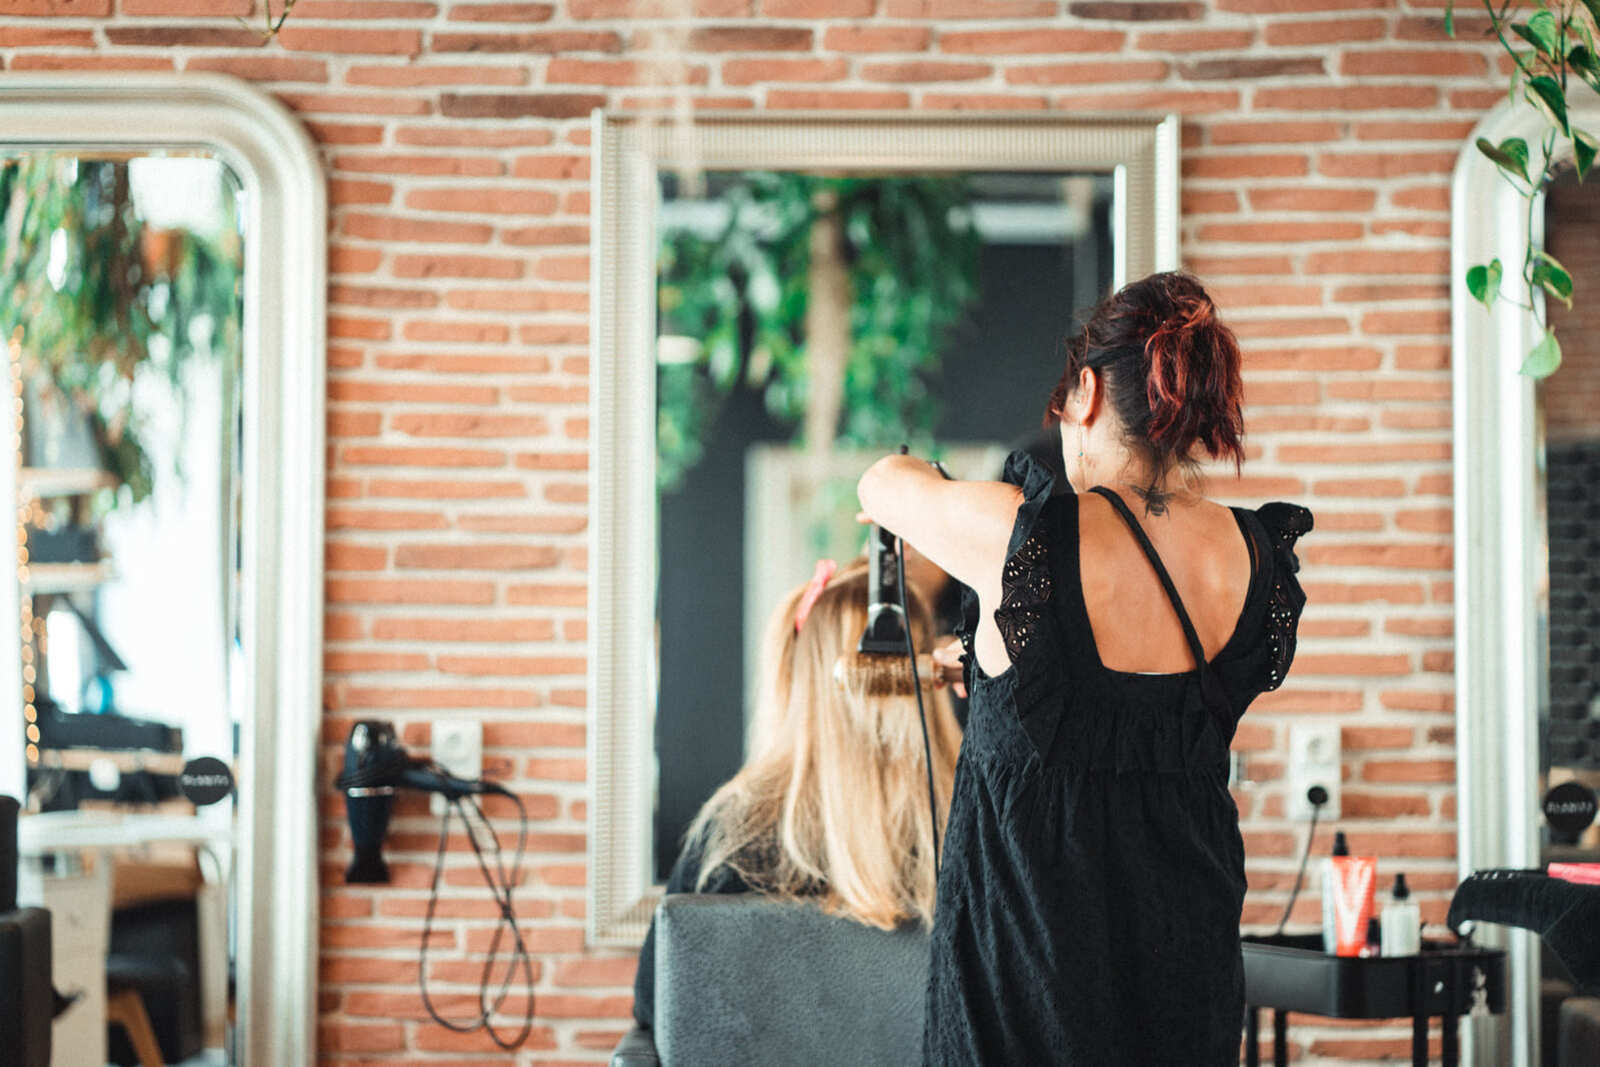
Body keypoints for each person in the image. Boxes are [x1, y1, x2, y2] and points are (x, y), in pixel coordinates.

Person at [857, 271, 1314, 1064]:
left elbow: (882, 484)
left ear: (1089, 391)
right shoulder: (1251, 553)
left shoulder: (1025, 537)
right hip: (1187, 971)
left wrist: (929, 476)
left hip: (1033, 985)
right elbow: (1128, 707)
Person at [631, 559, 963, 1029]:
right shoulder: (975, 829)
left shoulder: (735, 834)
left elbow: (657, 1006)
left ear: (796, 675)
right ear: (926, 678)